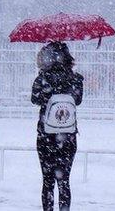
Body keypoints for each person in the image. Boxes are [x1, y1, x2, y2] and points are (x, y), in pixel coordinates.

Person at [31, 42, 84, 211]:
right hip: (68, 135)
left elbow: (35, 99)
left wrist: (45, 82)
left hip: (46, 135)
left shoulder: (43, 78)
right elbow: (78, 100)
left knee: (47, 180)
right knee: (64, 181)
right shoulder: (75, 78)